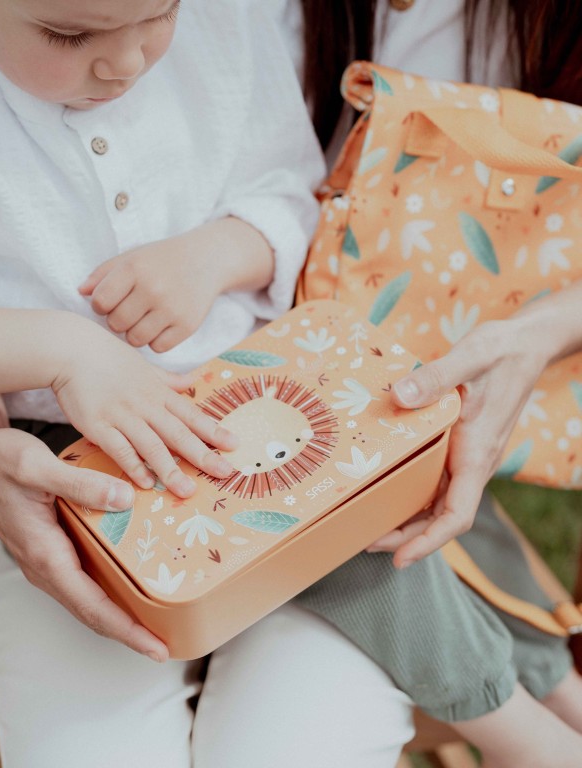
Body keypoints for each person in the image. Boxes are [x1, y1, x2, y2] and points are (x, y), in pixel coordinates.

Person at [0, 0, 418, 766]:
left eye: (157, 15)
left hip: (265, 444)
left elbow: (296, 192)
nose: (126, 62)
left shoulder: (225, 26)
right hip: (67, 483)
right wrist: (66, 350)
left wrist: (220, 252)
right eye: (70, 36)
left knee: (305, 740)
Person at [290, 2, 582, 767]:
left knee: (416, 486)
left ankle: (548, 705)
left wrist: (546, 325)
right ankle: (539, 719)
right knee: (376, 498)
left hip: (412, 363)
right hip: (297, 359)